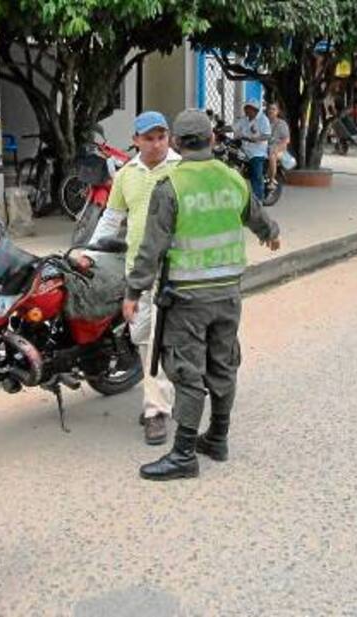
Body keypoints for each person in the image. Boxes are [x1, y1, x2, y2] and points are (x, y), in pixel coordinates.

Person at [123, 109, 281, 481]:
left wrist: (133, 291)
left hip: (186, 299)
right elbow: (258, 218)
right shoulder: (232, 179)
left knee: (187, 372)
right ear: (212, 140)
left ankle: (183, 455)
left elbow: (151, 249)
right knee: (223, 365)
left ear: (176, 143)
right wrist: (271, 233)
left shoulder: (170, 186)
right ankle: (218, 438)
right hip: (228, 295)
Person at [87, 111, 181, 445]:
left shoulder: (182, 170)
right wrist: (90, 254)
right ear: (137, 140)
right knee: (142, 337)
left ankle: (156, 410)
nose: (156, 144)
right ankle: (164, 390)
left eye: (161, 137)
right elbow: (111, 219)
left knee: (158, 339)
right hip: (137, 270)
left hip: (174, 269)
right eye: (149, 138)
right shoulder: (126, 174)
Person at [233, 99, 272, 203]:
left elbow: (267, 135)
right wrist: (219, 129)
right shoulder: (244, 119)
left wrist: (255, 139)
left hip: (257, 152)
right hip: (244, 150)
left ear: (255, 110)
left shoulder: (263, 120)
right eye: (245, 108)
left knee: (256, 175)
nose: (246, 110)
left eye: (248, 108)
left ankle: (258, 200)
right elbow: (234, 128)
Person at [266, 103, 291, 187]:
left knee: (272, 155)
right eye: (269, 109)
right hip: (266, 147)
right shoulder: (264, 122)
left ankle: (271, 180)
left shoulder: (282, 124)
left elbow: (286, 140)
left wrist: (276, 149)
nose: (271, 111)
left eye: (273, 109)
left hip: (279, 149)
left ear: (277, 111)